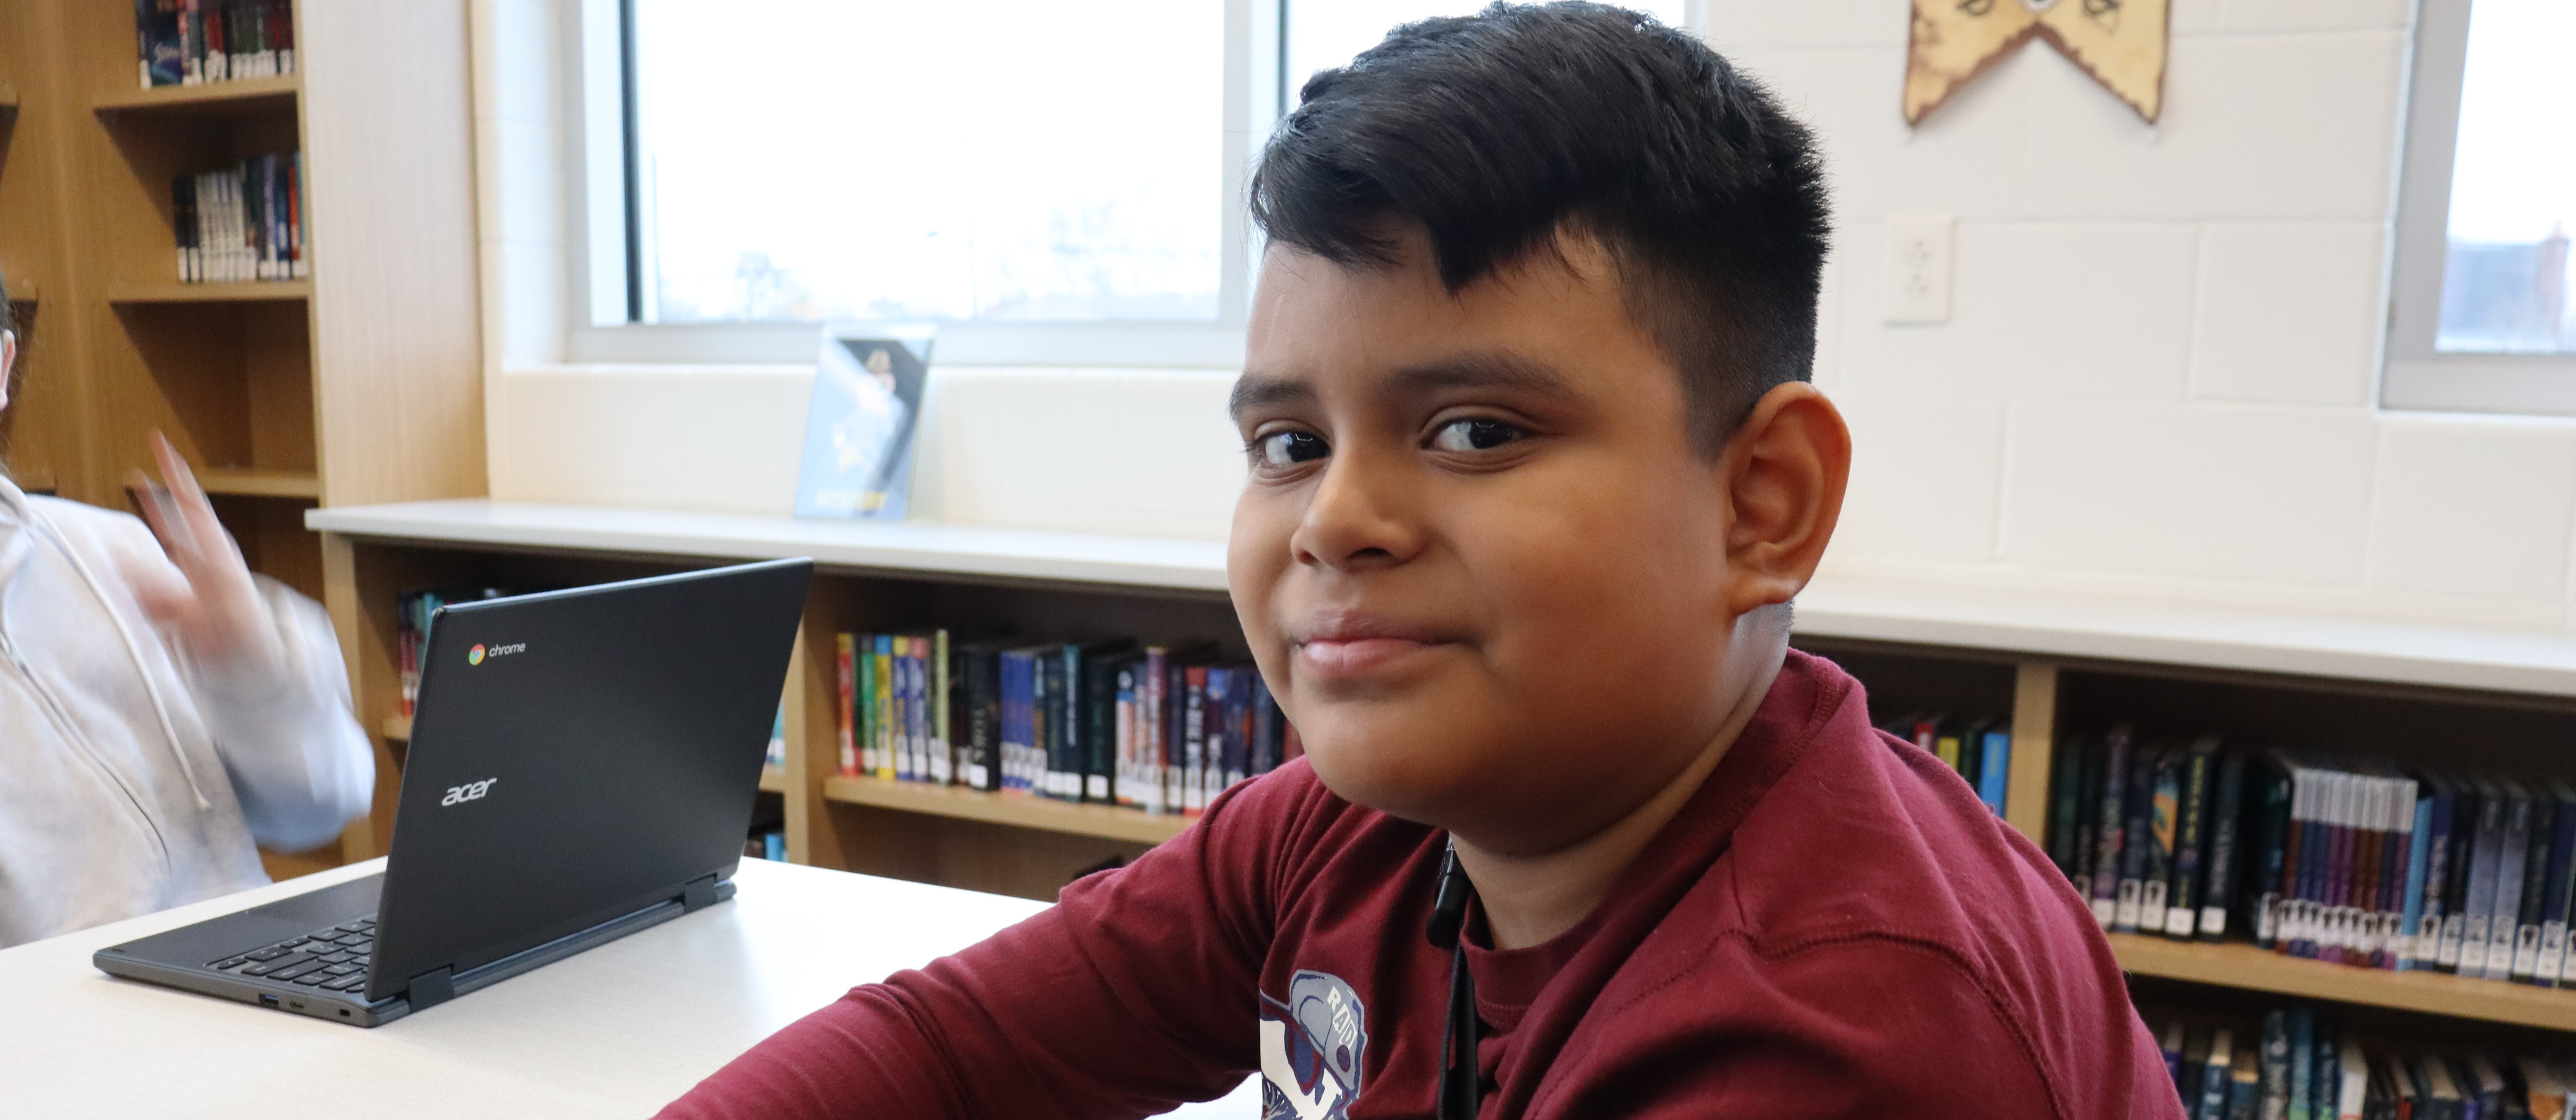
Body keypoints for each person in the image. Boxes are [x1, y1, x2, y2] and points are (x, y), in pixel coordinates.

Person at [661, 5, 2178, 1117]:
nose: (1333, 519)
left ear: (1759, 504)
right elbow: (952, 1046)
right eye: (1285, 442)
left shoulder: (1836, 1025)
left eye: (1468, 427)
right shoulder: (1352, 825)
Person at [0, 271, 375, 948]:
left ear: (1, 368)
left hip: (249, 968)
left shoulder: (114, 552)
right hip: (67, 1035)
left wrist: (255, 669)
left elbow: (321, 809)